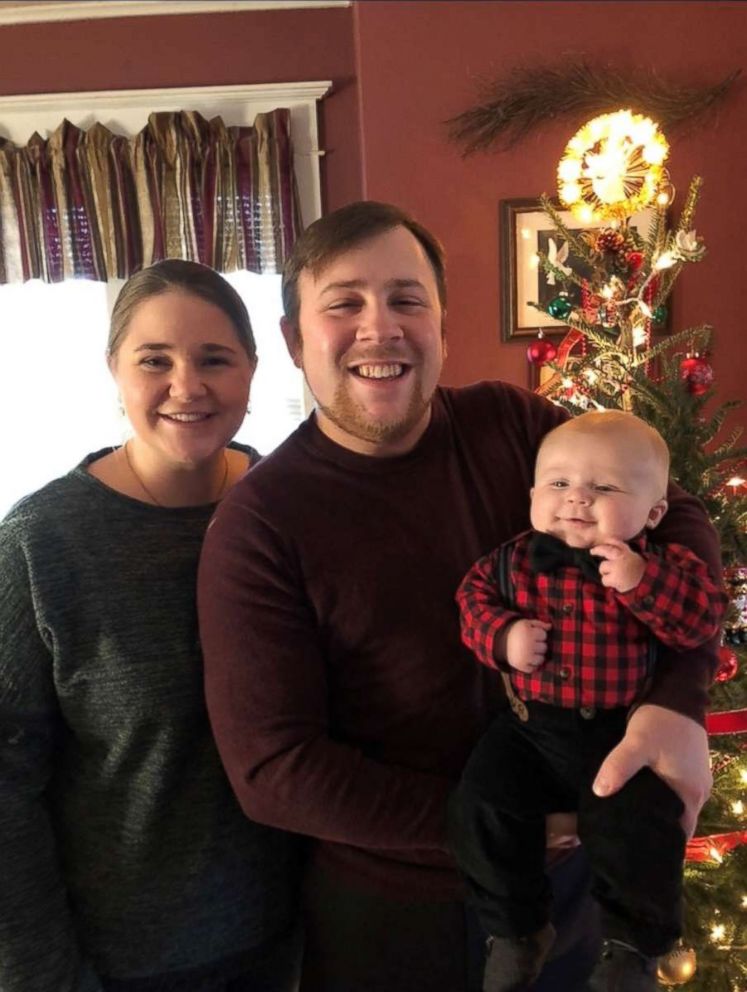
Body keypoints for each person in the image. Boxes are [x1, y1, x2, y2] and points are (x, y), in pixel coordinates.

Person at [197, 202, 722, 992]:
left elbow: (670, 508)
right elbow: (275, 770)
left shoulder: (509, 425)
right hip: (393, 917)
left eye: (407, 299)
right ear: (294, 338)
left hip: (576, 886)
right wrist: (499, 828)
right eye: (343, 303)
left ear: (441, 321)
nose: (381, 328)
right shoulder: (258, 523)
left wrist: (676, 702)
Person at [0, 260, 302, 992]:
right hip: (128, 963)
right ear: (114, 369)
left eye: (214, 359)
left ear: (253, 370)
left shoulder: (292, 506)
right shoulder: (42, 544)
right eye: (154, 360)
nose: (187, 386)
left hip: (298, 933)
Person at [451, 411, 727, 992]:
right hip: (528, 730)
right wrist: (502, 638)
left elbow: (702, 621)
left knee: (637, 828)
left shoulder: (666, 563)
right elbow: (471, 606)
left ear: (653, 513)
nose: (576, 499)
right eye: (557, 484)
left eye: (603, 488)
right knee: (482, 803)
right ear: (532, 494)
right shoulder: (508, 562)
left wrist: (641, 581)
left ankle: (634, 950)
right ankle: (516, 931)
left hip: (620, 734)